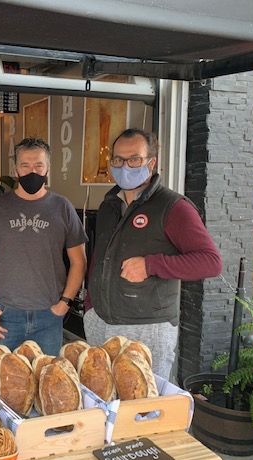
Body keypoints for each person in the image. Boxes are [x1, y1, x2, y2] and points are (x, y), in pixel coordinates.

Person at [83, 128, 222, 379]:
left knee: (143, 410)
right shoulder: (108, 206)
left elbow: (210, 262)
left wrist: (151, 265)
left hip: (147, 327)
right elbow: (99, 257)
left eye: (134, 159)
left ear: (151, 162)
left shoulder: (173, 207)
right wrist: (90, 306)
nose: (125, 166)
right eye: (118, 160)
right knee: (105, 404)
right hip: (100, 321)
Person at [0, 137, 87, 356]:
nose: (31, 171)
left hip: (49, 314)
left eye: (38, 165)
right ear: (16, 170)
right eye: (25, 165)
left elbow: (79, 261)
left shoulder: (62, 207)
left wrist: (65, 303)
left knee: (46, 383)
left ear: (48, 169)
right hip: (5, 314)